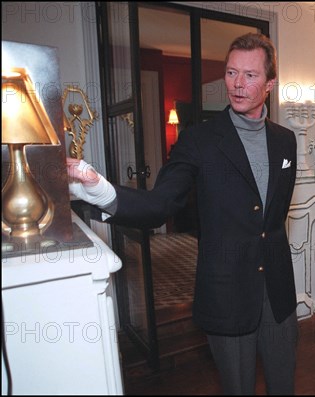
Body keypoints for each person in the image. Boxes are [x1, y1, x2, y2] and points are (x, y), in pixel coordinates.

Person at [67, 33, 299, 395]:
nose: (237, 85)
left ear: (270, 83)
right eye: (231, 73)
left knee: (283, 388)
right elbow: (161, 203)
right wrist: (101, 190)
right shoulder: (199, 140)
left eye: (250, 76)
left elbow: (271, 218)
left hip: (278, 292)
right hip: (227, 295)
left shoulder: (286, 140)